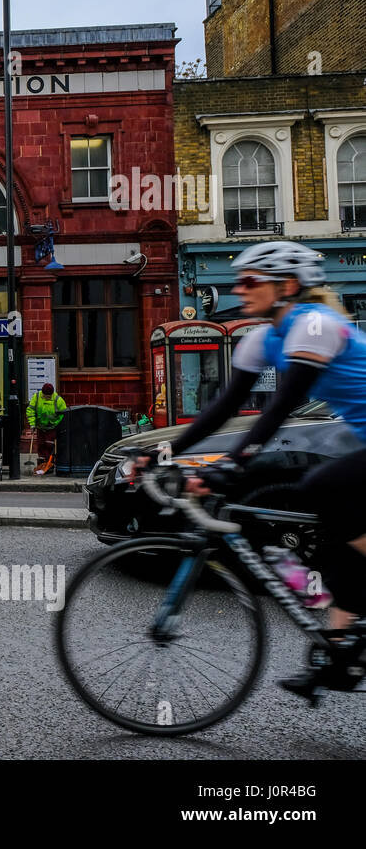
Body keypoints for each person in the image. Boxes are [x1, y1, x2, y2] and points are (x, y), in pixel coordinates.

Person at [166, 240, 366, 703]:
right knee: (334, 537)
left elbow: (282, 405)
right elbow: (223, 408)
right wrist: (162, 454)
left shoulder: (315, 324)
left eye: (251, 280)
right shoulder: (264, 336)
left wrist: (232, 463)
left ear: (288, 286)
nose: (240, 287)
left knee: (322, 487)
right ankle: (340, 655)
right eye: (239, 280)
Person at [26, 382, 67, 476]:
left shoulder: (58, 400)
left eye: (49, 396)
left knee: (50, 446)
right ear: (42, 393)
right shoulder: (36, 398)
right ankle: (42, 464)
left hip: (52, 427)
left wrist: (58, 424)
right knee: (40, 445)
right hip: (41, 427)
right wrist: (32, 424)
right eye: (45, 396)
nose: (47, 398)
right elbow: (30, 411)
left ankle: (50, 465)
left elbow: (64, 414)